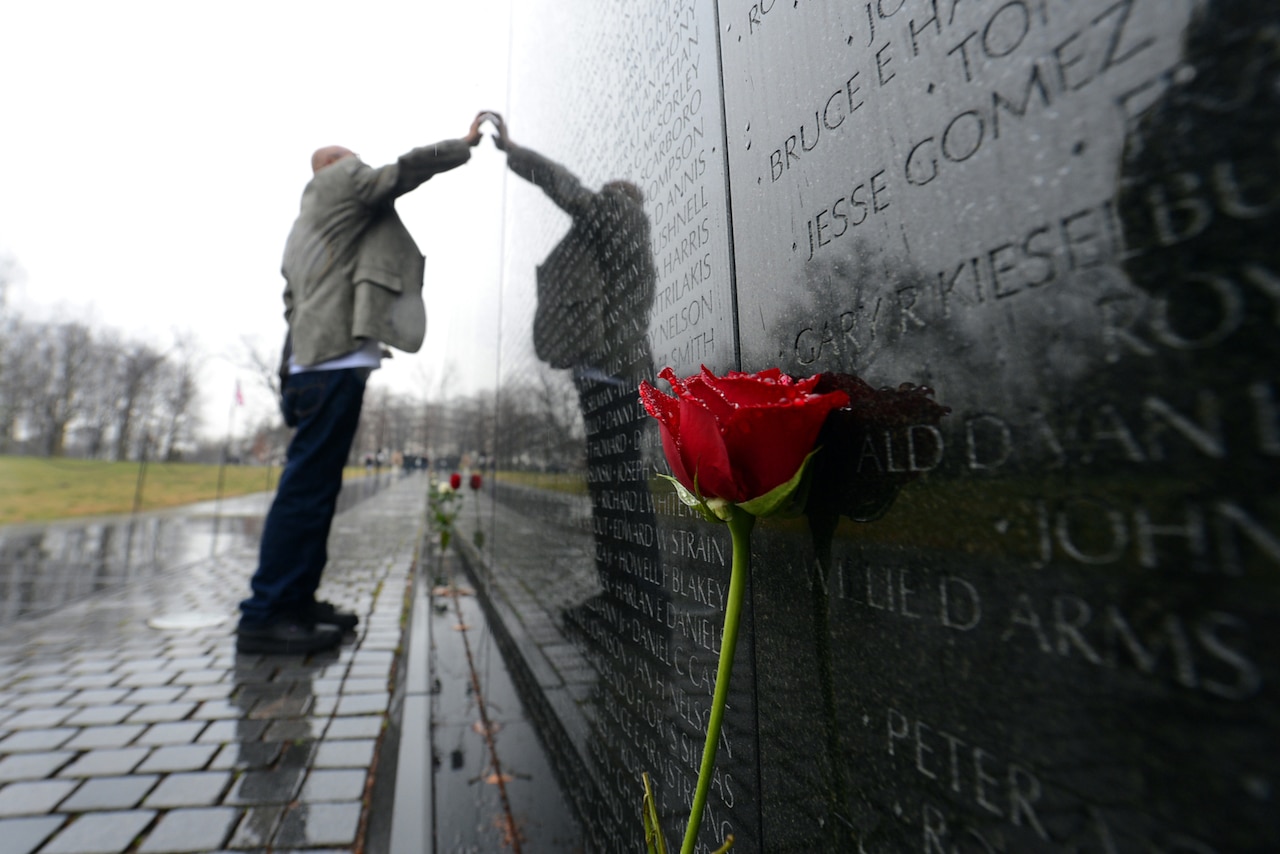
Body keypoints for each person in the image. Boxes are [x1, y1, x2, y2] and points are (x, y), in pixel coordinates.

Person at [237, 114, 486, 655]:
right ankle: (265, 612)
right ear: (334, 165)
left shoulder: (302, 229)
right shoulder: (339, 181)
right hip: (330, 365)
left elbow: (290, 305)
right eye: (353, 160)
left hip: (312, 364)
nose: (361, 167)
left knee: (315, 491)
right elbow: (400, 173)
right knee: (306, 493)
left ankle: (293, 602)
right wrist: (462, 146)